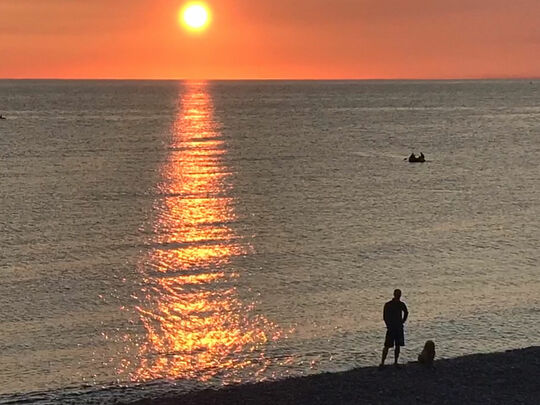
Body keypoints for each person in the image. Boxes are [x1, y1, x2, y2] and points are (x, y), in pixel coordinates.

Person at [380, 289, 408, 368]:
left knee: (392, 345)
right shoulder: (398, 304)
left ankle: (385, 362)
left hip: (394, 327)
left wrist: (389, 324)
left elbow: (385, 316)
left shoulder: (390, 304)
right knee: (391, 345)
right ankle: (389, 362)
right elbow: (406, 312)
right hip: (395, 327)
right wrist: (402, 321)